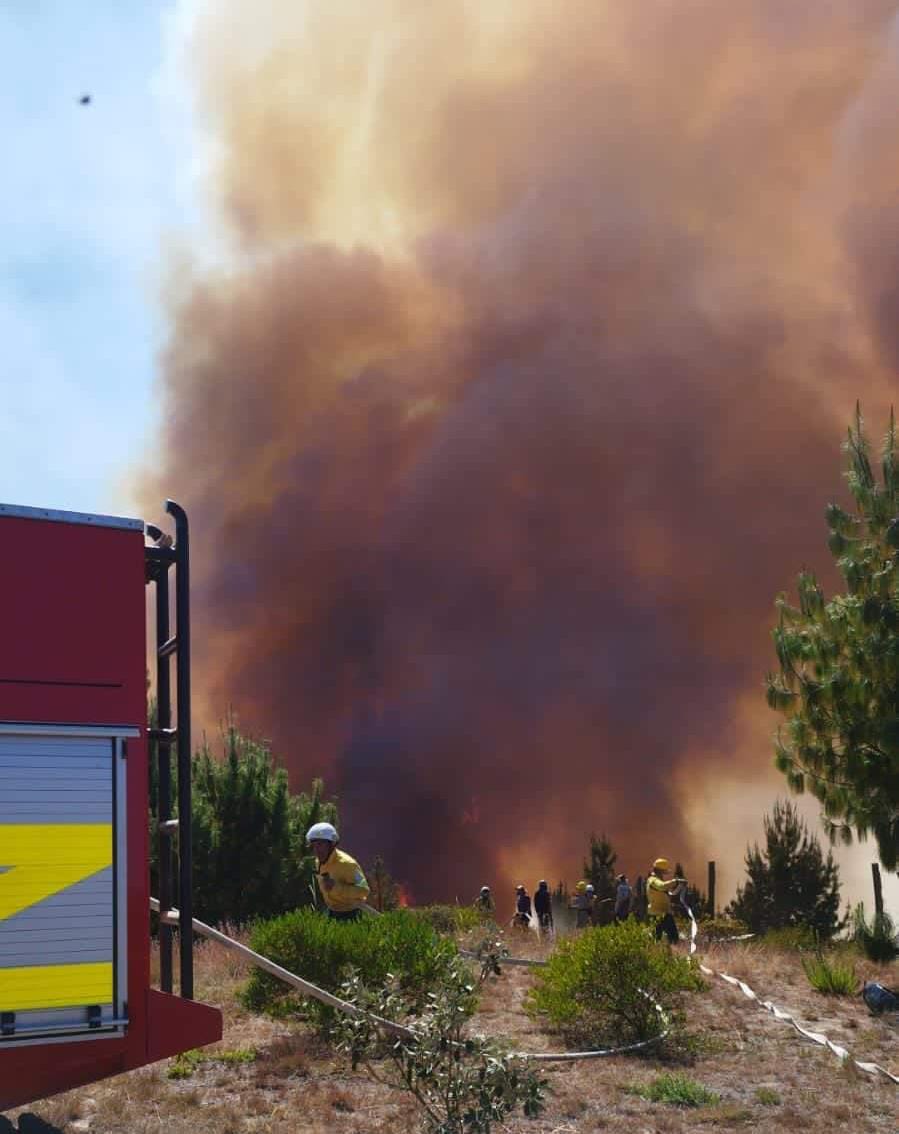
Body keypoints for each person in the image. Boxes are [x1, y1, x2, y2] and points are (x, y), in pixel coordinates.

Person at [306, 822, 370, 921]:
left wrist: (336, 887)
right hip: (332, 912)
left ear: (331, 844)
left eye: (320, 844)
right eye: (313, 846)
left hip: (352, 914)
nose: (316, 850)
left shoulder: (348, 864)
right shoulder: (318, 862)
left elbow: (364, 890)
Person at [646, 857, 684, 944]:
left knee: (657, 939)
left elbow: (670, 894)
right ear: (659, 871)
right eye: (663, 872)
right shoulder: (653, 880)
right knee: (673, 938)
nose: (664, 875)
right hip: (659, 915)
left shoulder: (656, 881)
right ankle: (667, 955)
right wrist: (675, 881)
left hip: (661, 913)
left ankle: (662, 955)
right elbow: (662, 886)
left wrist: (680, 886)